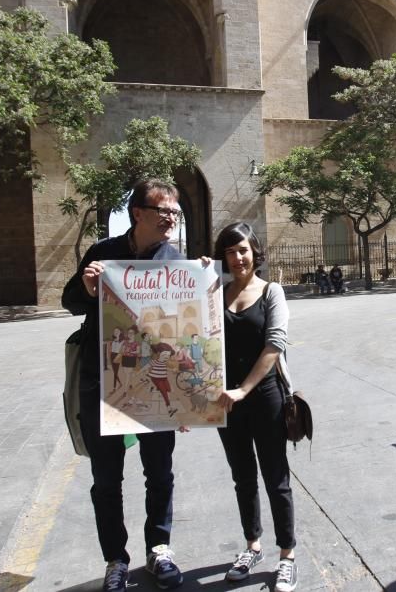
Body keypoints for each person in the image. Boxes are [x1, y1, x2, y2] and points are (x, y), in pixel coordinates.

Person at [61, 178, 187, 592]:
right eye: (163, 211)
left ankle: (160, 548)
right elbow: (69, 302)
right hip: (105, 380)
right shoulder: (103, 253)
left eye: (175, 212)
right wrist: (87, 287)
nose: (171, 219)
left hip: (154, 384)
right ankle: (116, 559)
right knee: (107, 479)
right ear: (138, 214)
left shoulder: (176, 259)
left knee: (160, 471)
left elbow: (189, 324)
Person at [213, 222, 298, 592]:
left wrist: (243, 389)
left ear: (255, 252)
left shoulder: (271, 292)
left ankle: (287, 555)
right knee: (242, 477)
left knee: (275, 478)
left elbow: (274, 345)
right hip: (227, 403)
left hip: (264, 397)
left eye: (243, 250)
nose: (237, 258)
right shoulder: (214, 293)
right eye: (230, 252)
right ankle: (252, 545)